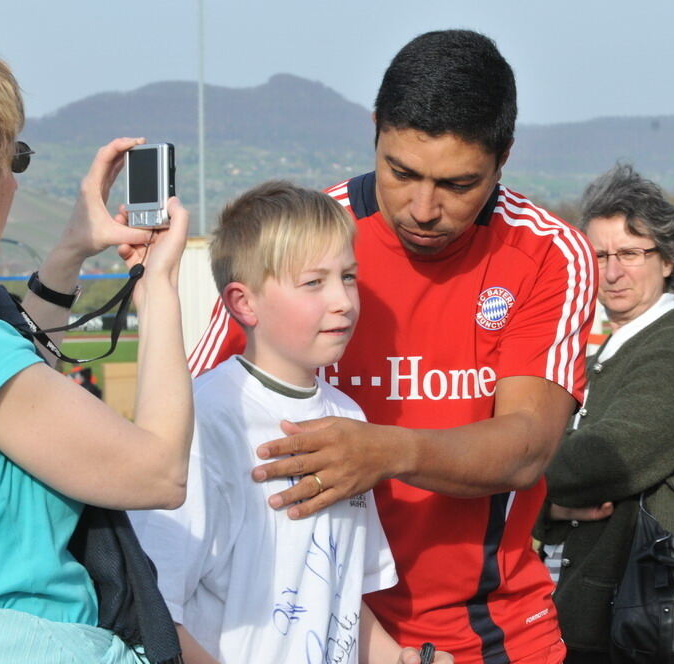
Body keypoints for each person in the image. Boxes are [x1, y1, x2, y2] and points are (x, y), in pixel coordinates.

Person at [188, 30, 595, 664]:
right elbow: (191, 428)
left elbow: (527, 446)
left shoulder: (547, 252)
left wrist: (385, 450)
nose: (423, 207)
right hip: (303, 636)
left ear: (504, 157)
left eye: (458, 184)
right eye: (400, 172)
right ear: (375, 128)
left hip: (490, 638)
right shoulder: (302, 238)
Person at [0, 44, 193, 662]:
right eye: (15, 158)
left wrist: (70, 250)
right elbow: (160, 473)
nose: (16, 180)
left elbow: (17, 387)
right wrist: (158, 286)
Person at [131, 181, 448, 664]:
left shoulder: (348, 419)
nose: (342, 300)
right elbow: (152, 612)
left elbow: (338, 599)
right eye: (313, 282)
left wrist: (398, 658)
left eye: (348, 276)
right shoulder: (202, 421)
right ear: (244, 303)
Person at [533, 165, 674, 662]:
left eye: (631, 253)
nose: (611, 272)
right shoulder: (616, 349)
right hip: (596, 611)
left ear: (668, 259)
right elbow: (566, 480)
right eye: (599, 255)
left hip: (636, 617)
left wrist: (504, 475)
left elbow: (597, 460)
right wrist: (545, 506)